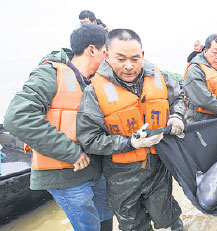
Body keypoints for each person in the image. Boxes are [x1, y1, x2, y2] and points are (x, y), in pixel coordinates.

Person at [3, 24, 113, 231]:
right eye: (106, 51)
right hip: (66, 175)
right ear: (92, 50)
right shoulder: (49, 74)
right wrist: (71, 152)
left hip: (96, 170)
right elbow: (17, 118)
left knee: (106, 217)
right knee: (89, 226)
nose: (110, 58)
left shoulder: (96, 80)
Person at [76, 29, 185, 231]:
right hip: (121, 176)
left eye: (135, 59)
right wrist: (130, 142)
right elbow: (89, 140)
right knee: (133, 225)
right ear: (107, 56)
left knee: (169, 217)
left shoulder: (158, 76)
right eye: (121, 59)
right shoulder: (94, 91)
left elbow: (178, 98)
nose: (129, 66)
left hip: (158, 167)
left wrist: (177, 115)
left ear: (142, 56)